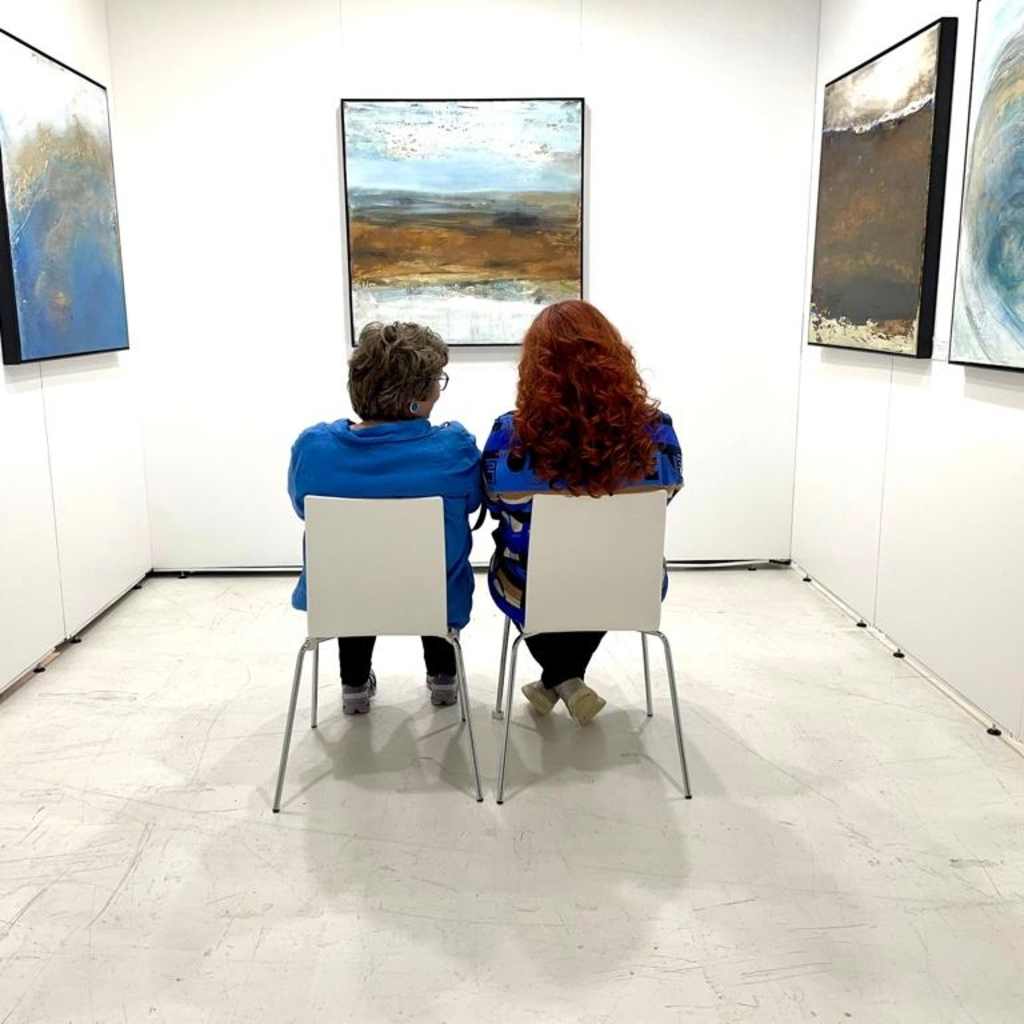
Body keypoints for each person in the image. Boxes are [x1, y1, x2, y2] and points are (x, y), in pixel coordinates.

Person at [482, 299, 683, 725]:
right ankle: (568, 680)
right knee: (602, 572)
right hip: (631, 583)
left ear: (534, 367)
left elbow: (496, 503)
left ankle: (559, 679)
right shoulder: (658, 432)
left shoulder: (510, 435)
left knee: (523, 568)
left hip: (531, 586)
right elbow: (666, 497)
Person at [288, 321, 481, 714]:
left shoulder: (314, 448)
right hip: (435, 599)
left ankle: (354, 684)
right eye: (436, 381)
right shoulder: (454, 448)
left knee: (356, 568)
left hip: (343, 598)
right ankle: (444, 677)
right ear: (418, 397)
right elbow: (474, 502)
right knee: (432, 566)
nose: (438, 390)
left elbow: (301, 507)